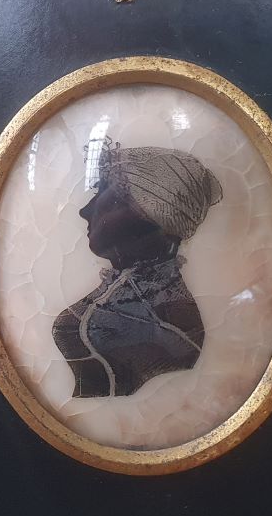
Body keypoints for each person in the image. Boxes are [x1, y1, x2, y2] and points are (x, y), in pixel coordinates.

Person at [52, 139, 223, 397]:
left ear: (146, 215)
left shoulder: (159, 315)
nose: (85, 211)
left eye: (104, 195)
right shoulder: (136, 292)